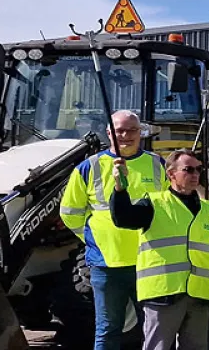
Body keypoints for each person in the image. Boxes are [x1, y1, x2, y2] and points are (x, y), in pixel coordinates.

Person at [59, 110, 169, 350]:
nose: (126, 136)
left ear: (141, 133)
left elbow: (170, 209)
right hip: (106, 264)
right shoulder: (89, 167)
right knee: (108, 330)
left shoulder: (157, 164)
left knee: (154, 331)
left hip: (149, 261)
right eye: (120, 130)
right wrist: (93, 238)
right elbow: (69, 212)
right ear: (109, 133)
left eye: (132, 130)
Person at [109, 149, 209, 350]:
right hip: (164, 294)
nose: (195, 175)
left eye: (198, 169)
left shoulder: (208, 209)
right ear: (171, 174)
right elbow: (123, 218)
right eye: (188, 169)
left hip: (199, 294)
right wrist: (120, 190)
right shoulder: (154, 203)